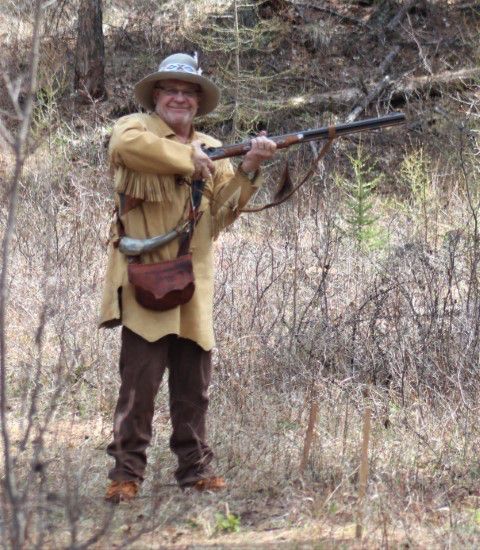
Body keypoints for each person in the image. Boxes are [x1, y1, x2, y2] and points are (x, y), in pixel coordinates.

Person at [99, 53, 277, 503]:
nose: (179, 97)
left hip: (193, 282)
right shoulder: (134, 130)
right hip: (144, 279)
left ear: (197, 101)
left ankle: (195, 470)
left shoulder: (212, 147)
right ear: (156, 96)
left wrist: (250, 167)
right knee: (139, 387)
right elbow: (128, 149)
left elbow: (218, 218)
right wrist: (189, 156)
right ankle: (125, 474)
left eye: (188, 91)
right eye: (171, 89)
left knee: (194, 390)